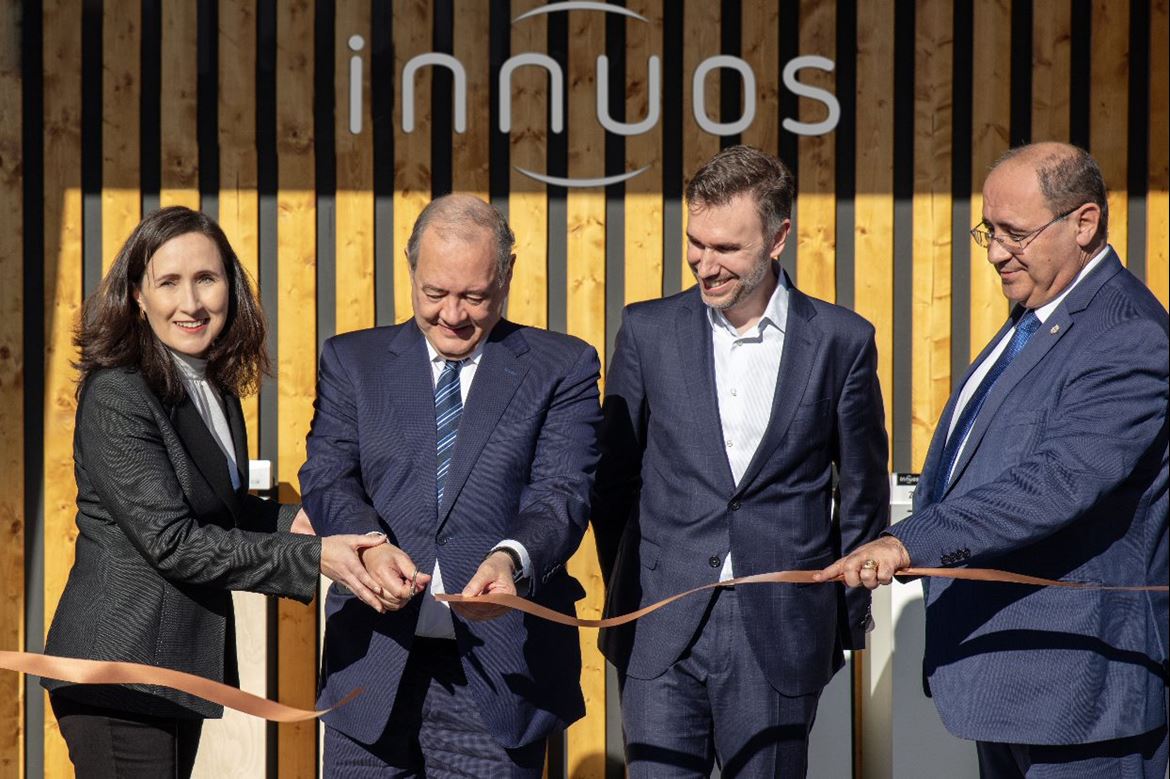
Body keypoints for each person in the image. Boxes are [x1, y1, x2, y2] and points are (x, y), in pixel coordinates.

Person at [820, 142, 1169, 778]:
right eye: (988, 230)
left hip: (1081, 694)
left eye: (1015, 233)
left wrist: (907, 543)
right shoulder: (1036, 318)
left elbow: (1056, 483)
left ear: (1084, 223)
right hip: (1013, 686)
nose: (995, 252)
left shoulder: (1127, 334)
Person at [43, 206, 390, 778]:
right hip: (119, 673)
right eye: (168, 282)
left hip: (174, 668)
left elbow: (225, 510)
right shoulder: (118, 394)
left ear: (231, 285)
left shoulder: (215, 387)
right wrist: (311, 555)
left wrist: (308, 522)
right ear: (137, 295)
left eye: (206, 278)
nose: (191, 302)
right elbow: (173, 541)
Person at [592, 145, 890, 777]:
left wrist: (839, 619)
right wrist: (635, 580)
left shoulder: (842, 341)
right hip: (660, 624)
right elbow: (612, 481)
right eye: (696, 243)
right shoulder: (646, 330)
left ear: (779, 237)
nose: (705, 264)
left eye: (726, 248)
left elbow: (862, 491)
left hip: (780, 630)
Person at [299, 194, 602, 776]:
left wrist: (511, 559)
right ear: (410, 270)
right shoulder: (351, 361)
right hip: (370, 672)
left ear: (507, 274)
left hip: (499, 672)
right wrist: (367, 544)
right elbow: (326, 473)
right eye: (435, 293)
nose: (453, 315)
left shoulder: (560, 366)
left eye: (475, 296)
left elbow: (562, 493)